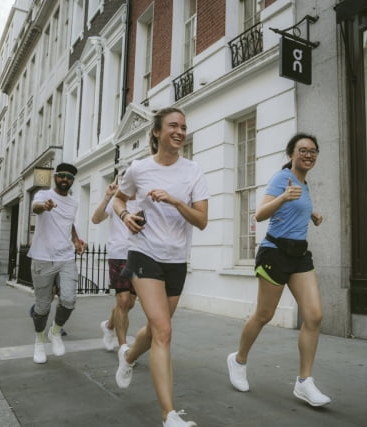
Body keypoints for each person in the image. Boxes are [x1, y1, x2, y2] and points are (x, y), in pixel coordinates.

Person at [113, 107, 209, 427]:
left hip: (176, 260)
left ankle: (127, 356)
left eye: (183, 126)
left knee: (156, 329)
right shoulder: (139, 169)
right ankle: (169, 415)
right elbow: (119, 199)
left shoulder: (193, 171)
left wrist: (175, 202)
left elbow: (202, 221)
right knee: (164, 331)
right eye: (173, 126)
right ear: (156, 132)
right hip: (143, 255)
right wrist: (126, 216)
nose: (180, 131)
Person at [227, 133, 331, 407]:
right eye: (303, 150)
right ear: (291, 154)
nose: (308, 155)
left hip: (299, 255)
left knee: (314, 315)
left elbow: (297, 206)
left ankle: (304, 382)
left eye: (313, 151)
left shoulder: (304, 184)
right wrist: (284, 197)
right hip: (274, 252)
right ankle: (238, 360)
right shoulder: (280, 179)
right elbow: (260, 214)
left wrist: (313, 213)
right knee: (264, 314)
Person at [28, 162, 86, 364]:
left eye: (69, 178)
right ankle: (39, 340)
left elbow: (69, 224)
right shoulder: (43, 196)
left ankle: (55, 331)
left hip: (66, 257)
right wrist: (45, 206)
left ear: (72, 181)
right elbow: (36, 208)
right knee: (42, 307)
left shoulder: (74, 202)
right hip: (42, 257)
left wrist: (76, 241)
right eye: (61, 176)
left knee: (69, 299)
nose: (65, 180)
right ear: (55, 177)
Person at [91, 175, 137, 352]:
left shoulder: (142, 200)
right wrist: (107, 196)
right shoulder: (117, 200)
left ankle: (109, 325)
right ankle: (123, 347)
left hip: (138, 256)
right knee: (123, 300)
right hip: (118, 254)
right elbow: (95, 219)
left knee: (129, 303)